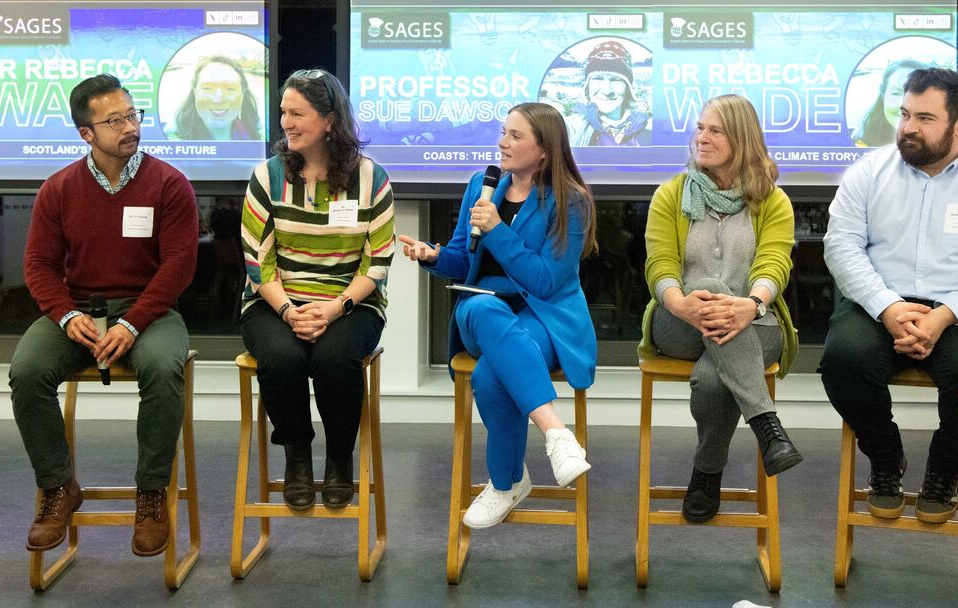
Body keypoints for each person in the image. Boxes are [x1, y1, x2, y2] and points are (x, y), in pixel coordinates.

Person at [820, 68, 958, 524]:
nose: (907, 128)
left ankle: (944, 465)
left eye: (924, 117)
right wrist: (887, 307)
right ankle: (884, 457)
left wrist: (945, 315)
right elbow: (841, 248)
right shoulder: (868, 173)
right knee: (844, 357)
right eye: (903, 114)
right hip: (880, 302)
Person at [10, 74, 199, 556]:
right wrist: (65, 314)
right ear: (86, 134)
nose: (130, 127)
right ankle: (58, 487)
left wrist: (134, 322)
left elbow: (179, 265)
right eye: (114, 120)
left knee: (160, 367)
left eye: (133, 115)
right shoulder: (58, 189)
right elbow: (38, 265)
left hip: (151, 312)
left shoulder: (169, 183)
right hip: (80, 310)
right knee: (26, 371)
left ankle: (152, 493)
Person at [398, 102, 597, 529]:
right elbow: (460, 257)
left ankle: (507, 482)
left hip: (543, 316)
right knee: (485, 308)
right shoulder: (481, 185)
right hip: (480, 308)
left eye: (515, 136)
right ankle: (556, 433)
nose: (503, 143)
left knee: (490, 376)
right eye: (503, 132)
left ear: (544, 150)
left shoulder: (570, 202)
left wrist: (497, 230)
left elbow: (545, 281)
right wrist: (432, 256)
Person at [638, 94, 803, 523]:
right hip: (678, 321)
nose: (702, 138)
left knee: (715, 380)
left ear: (742, 139)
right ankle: (767, 426)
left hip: (754, 319)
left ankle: (706, 474)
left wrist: (752, 304)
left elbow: (773, 264)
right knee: (710, 287)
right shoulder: (672, 194)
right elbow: (660, 265)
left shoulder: (772, 200)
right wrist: (682, 304)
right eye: (699, 128)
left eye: (715, 130)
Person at [240, 68, 394, 510]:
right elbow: (257, 261)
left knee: (333, 359)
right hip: (274, 300)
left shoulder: (371, 179)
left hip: (352, 301)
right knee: (282, 357)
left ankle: (340, 459)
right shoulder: (267, 176)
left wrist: (333, 309)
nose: (286, 122)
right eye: (283, 112)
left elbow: (377, 261)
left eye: (298, 113)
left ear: (329, 121)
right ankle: (298, 456)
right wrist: (290, 312)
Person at [565, 40, 651, 146]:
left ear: (629, 87)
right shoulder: (571, 129)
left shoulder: (648, 128)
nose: (607, 91)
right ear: (587, 85)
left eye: (616, 80)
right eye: (598, 78)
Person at [167, 55, 262, 140]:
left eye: (230, 89)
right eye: (207, 88)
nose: (218, 99)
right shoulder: (172, 140)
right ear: (195, 91)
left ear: (243, 93)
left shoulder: (260, 134)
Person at [850, 59, 927, 148]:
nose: (902, 104)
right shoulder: (860, 145)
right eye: (896, 93)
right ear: (883, 97)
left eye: (915, 94)